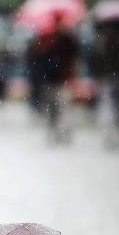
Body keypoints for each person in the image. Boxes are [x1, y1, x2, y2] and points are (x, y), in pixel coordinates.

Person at [41, 16, 79, 144]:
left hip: (56, 80)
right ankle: (59, 132)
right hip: (57, 79)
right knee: (59, 108)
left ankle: (58, 132)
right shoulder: (64, 39)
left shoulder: (49, 39)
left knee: (58, 108)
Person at [94, 25, 119, 147]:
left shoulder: (101, 42)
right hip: (118, 78)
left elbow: (97, 62)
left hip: (107, 78)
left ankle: (109, 134)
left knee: (108, 106)